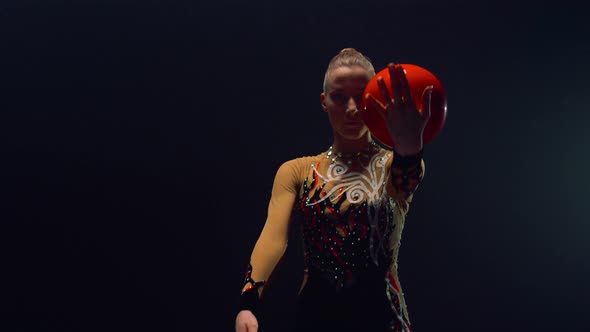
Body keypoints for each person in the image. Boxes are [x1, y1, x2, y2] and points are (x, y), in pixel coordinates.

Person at [235, 48, 433, 332]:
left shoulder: (392, 164)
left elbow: (405, 181)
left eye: (362, 96)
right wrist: (248, 302)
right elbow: (273, 239)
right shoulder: (297, 171)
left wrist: (410, 148)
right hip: (317, 316)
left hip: (384, 318)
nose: (352, 108)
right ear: (324, 101)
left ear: (375, 100)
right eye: (339, 97)